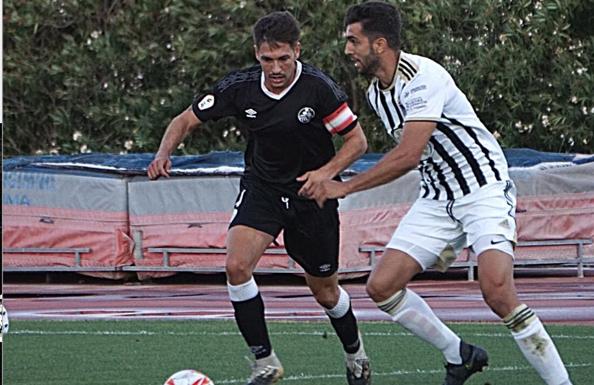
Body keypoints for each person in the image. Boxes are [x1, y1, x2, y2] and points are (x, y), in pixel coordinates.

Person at [300, 2, 573, 385]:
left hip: (482, 188)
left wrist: (343, 187)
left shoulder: (423, 76)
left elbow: (408, 154)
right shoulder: (378, 93)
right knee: (381, 286)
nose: (347, 49)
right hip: (437, 196)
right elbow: (418, 157)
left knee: (496, 290)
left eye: (353, 40)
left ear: (379, 44)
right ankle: (459, 354)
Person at [148, 11, 371, 385]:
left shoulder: (319, 88)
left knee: (326, 291)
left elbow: (358, 141)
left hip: (310, 195)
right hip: (263, 188)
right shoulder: (241, 87)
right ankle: (264, 362)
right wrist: (162, 153)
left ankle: (356, 355)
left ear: (297, 51)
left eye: (284, 58)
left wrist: (325, 173)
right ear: (257, 54)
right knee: (236, 266)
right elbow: (184, 120)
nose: (276, 68)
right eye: (268, 59)